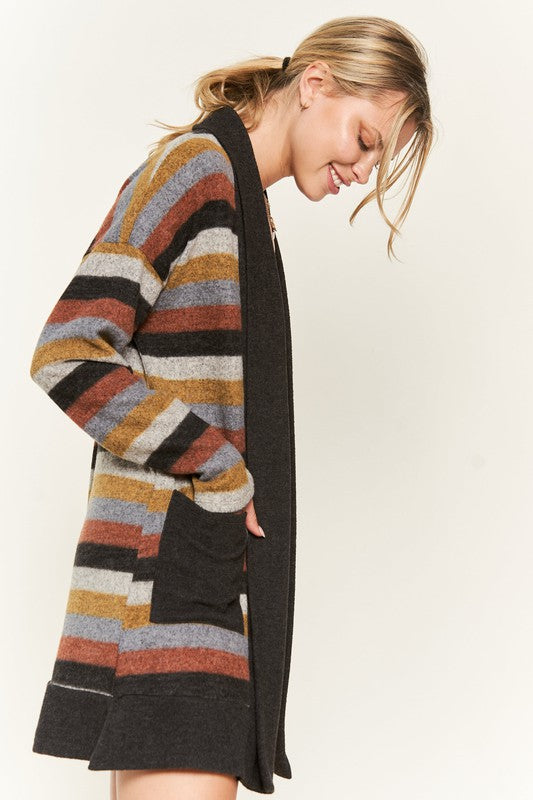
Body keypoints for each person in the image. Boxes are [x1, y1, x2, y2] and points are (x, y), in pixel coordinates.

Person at [29, 15, 434, 800]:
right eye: (364, 139)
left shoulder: (244, 202)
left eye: (376, 156)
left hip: (196, 573)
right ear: (314, 84)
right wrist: (216, 466)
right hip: (164, 580)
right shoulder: (196, 171)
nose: (363, 168)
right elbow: (68, 350)